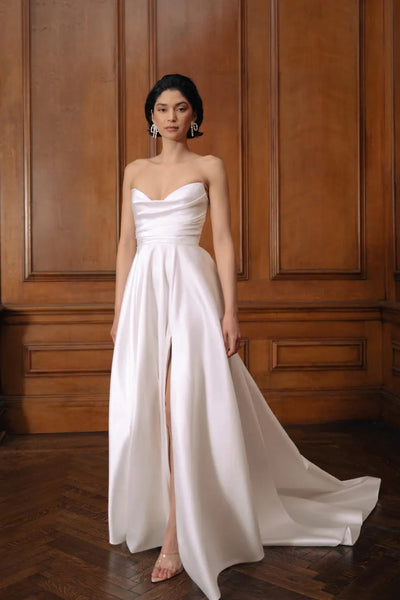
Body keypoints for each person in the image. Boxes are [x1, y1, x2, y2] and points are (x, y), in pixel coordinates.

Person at [108, 74, 380, 600]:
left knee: (178, 403)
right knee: (151, 407)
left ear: (194, 116)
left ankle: (176, 533)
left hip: (191, 288)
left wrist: (232, 311)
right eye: (162, 108)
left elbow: (227, 241)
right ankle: (174, 512)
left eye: (181, 108)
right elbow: (124, 244)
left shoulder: (210, 167)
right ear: (150, 116)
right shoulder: (133, 171)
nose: (171, 116)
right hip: (144, 294)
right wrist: (119, 311)